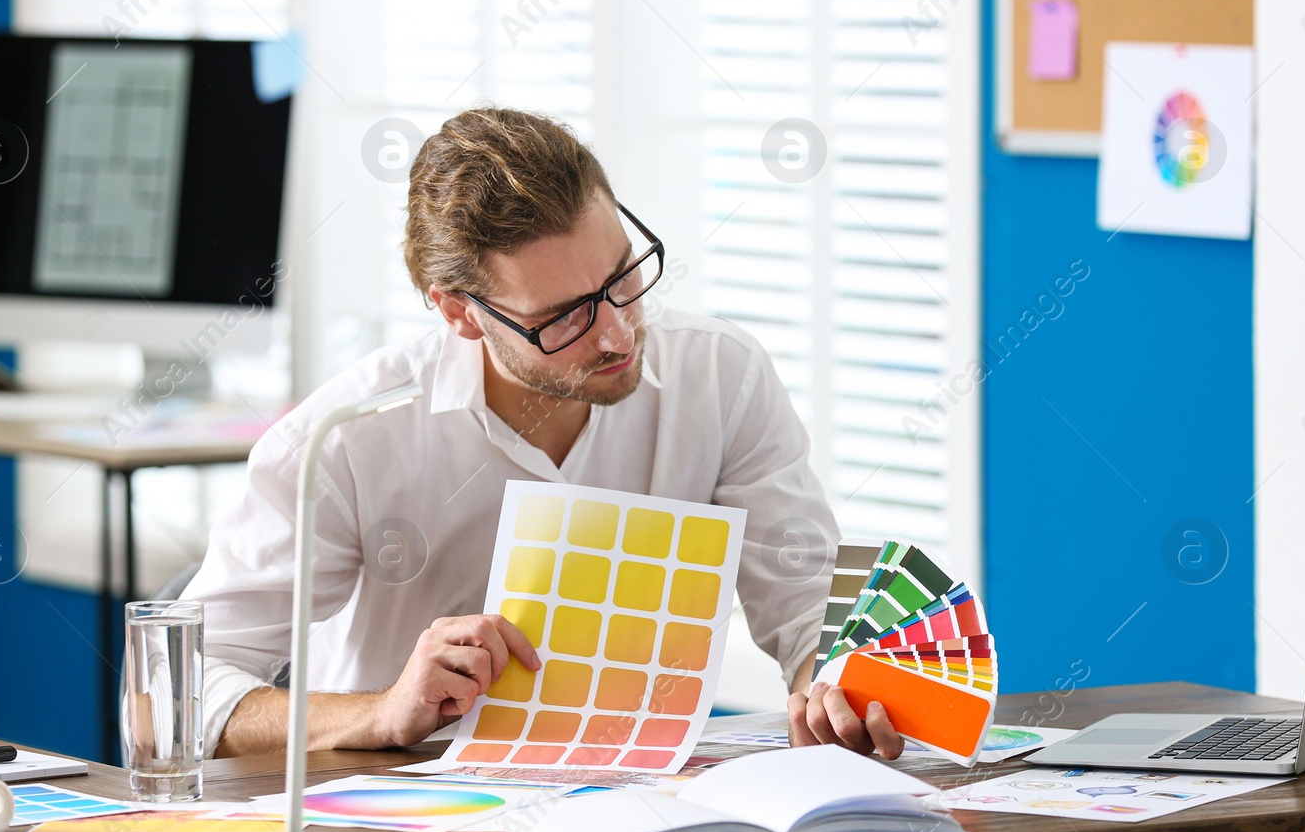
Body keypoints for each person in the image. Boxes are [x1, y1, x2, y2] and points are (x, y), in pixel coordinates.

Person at [182, 107, 902, 760]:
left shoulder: (722, 376)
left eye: (623, 277)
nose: (619, 332)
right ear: (461, 313)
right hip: (405, 829)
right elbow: (169, 696)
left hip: (643, 808)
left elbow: (812, 609)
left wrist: (834, 681)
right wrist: (380, 710)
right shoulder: (345, 439)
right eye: (564, 315)